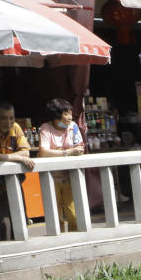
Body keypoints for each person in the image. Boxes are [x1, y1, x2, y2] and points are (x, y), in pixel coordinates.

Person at [0, 101, 34, 239]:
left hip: (13, 181)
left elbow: (26, 152)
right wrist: (19, 158)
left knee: (21, 219)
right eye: (4, 118)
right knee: (2, 223)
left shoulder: (16, 127)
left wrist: (8, 157)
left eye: (11, 117)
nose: (9, 121)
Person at [36, 98, 86, 233]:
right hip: (51, 178)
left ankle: (76, 239)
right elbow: (44, 151)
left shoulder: (73, 127)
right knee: (55, 214)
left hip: (70, 177)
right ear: (55, 116)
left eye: (70, 114)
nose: (69, 118)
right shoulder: (46, 128)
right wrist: (68, 152)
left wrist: (57, 152)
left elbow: (80, 149)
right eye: (65, 114)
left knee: (73, 214)